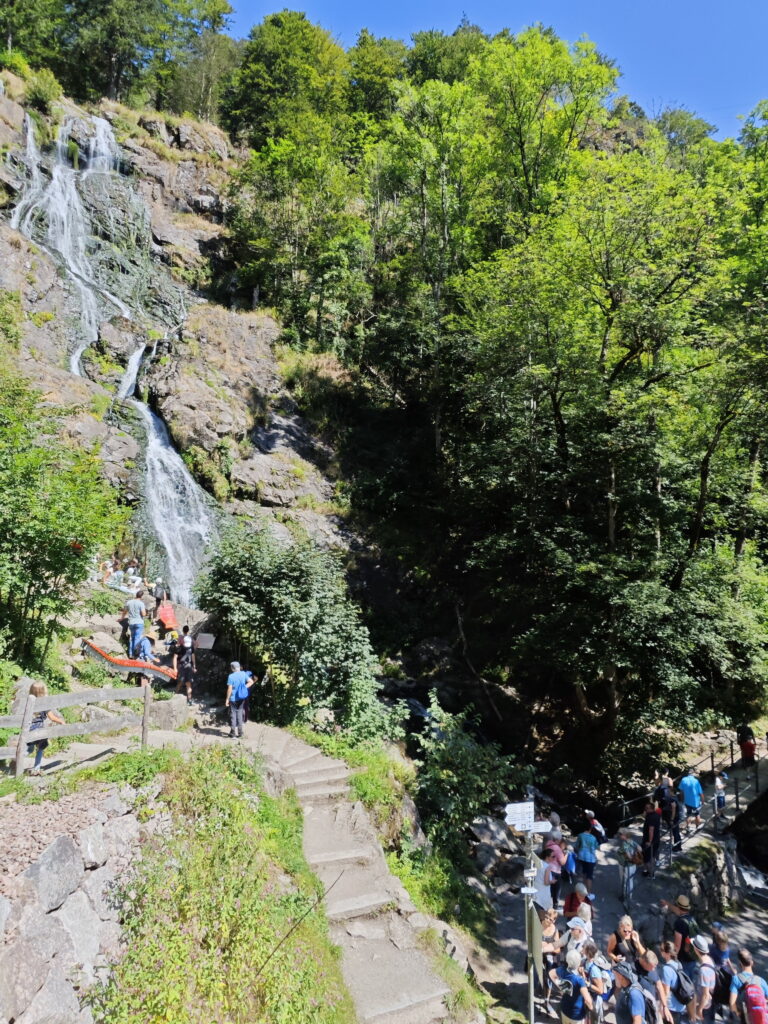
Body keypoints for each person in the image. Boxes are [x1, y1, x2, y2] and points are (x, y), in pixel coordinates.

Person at [25, 682, 65, 776]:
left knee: (28, 750)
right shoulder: (44, 704)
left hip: (29, 730)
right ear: (43, 692)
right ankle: (37, 768)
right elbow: (52, 717)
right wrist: (61, 721)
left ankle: (15, 758)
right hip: (40, 731)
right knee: (40, 749)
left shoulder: (27, 702)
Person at [660, 895, 699, 979]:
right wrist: (668, 904)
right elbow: (679, 911)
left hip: (684, 959)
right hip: (693, 956)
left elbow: (677, 945)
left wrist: (671, 958)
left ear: (678, 906)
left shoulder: (679, 923)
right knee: (690, 982)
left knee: (684, 984)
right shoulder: (692, 919)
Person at [550, 948, 594, 1024]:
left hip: (565, 1010)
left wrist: (563, 987)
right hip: (577, 1015)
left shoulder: (562, 970)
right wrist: (591, 1008)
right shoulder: (579, 981)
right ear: (579, 962)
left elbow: (551, 973)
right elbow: (587, 1000)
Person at [729, 949, 768, 1024]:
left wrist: (737, 1013)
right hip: (760, 1018)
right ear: (752, 962)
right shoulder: (761, 981)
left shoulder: (736, 979)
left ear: (740, 963)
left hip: (745, 1016)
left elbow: (732, 1003)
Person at [660, 941, 694, 1024]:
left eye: (662, 950)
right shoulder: (678, 964)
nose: (660, 952)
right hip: (680, 1005)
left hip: (671, 1007)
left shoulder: (666, 969)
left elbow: (666, 992)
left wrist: (663, 1008)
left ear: (667, 953)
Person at [638, 951, 670, 1023]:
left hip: (652, 1006)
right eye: (652, 967)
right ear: (644, 962)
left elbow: (659, 986)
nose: (653, 969)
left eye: (655, 966)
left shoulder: (653, 969)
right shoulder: (633, 968)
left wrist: (665, 1006)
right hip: (640, 1008)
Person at [225, 661, 254, 739]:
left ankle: (233, 734)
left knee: (233, 715)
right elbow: (251, 682)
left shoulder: (231, 676)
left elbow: (229, 689)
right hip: (241, 698)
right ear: (238, 667)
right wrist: (244, 687)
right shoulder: (243, 674)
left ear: (232, 668)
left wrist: (227, 699)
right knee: (240, 714)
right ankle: (240, 733)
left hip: (233, 699)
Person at [691, 935, 716, 1024]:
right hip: (710, 1002)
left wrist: (699, 1009)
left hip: (706, 1005)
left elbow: (705, 995)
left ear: (696, 949)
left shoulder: (703, 970)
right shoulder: (709, 960)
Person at [541, 908, 562, 1018]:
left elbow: (558, 949)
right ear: (545, 916)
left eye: (553, 920)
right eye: (548, 918)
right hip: (538, 955)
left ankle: (546, 1001)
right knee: (536, 977)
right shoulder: (539, 925)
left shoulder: (555, 930)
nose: (550, 921)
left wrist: (547, 947)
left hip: (549, 956)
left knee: (548, 980)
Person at [617, 828, 642, 905]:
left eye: (620, 834)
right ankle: (629, 895)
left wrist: (630, 857)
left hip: (625, 865)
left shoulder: (625, 844)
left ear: (624, 835)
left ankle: (625, 897)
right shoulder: (632, 842)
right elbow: (640, 848)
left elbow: (628, 856)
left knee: (625, 881)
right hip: (633, 865)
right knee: (630, 880)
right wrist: (635, 856)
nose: (619, 836)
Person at [173, 625, 196, 705]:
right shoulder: (190, 647)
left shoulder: (180, 646)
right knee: (184, 683)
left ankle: (187, 698)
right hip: (186, 666)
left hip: (184, 666)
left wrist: (175, 668)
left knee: (185, 683)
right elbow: (193, 656)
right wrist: (194, 666)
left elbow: (175, 657)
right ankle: (178, 696)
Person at [575, 821, 599, 893]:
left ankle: (582, 890)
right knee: (589, 876)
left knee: (583, 874)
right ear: (590, 829)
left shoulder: (580, 836)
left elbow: (576, 846)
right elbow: (595, 847)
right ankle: (588, 893)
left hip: (581, 857)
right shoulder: (593, 838)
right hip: (590, 859)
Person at [122, 590, 147, 658]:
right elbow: (143, 614)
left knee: (132, 638)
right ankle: (135, 655)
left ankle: (130, 654)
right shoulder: (141, 603)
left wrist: (121, 618)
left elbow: (124, 611)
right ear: (141, 596)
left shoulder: (129, 602)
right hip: (139, 623)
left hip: (131, 623)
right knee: (137, 639)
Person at [642, 800, 662, 876]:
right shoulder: (655, 815)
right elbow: (644, 816)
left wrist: (649, 841)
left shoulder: (651, 817)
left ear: (651, 808)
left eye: (646, 808)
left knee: (646, 858)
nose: (645, 810)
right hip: (656, 838)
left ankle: (651, 873)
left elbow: (651, 829)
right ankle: (648, 870)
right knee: (652, 855)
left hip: (649, 840)